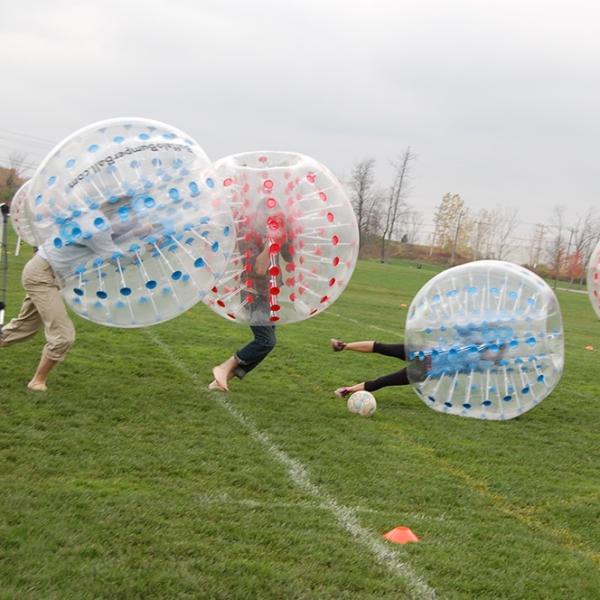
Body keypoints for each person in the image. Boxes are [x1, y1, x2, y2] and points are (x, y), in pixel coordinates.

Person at [0, 197, 139, 391]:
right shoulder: (96, 227)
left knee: (24, 328)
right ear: (118, 212)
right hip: (42, 275)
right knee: (63, 336)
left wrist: (143, 232)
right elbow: (115, 258)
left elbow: (114, 236)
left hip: (46, 273)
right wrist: (144, 251)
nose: (131, 218)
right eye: (128, 213)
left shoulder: (90, 217)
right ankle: (37, 381)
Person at [210, 208, 292, 391]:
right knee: (265, 341)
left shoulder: (274, 232)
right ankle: (223, 368)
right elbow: (258, 270)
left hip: (270, 295)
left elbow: (289, 256)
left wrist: (288, 237)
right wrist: (270, 243)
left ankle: (220, 381)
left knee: (267, 344)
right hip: (253, 293)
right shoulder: (248, 234)